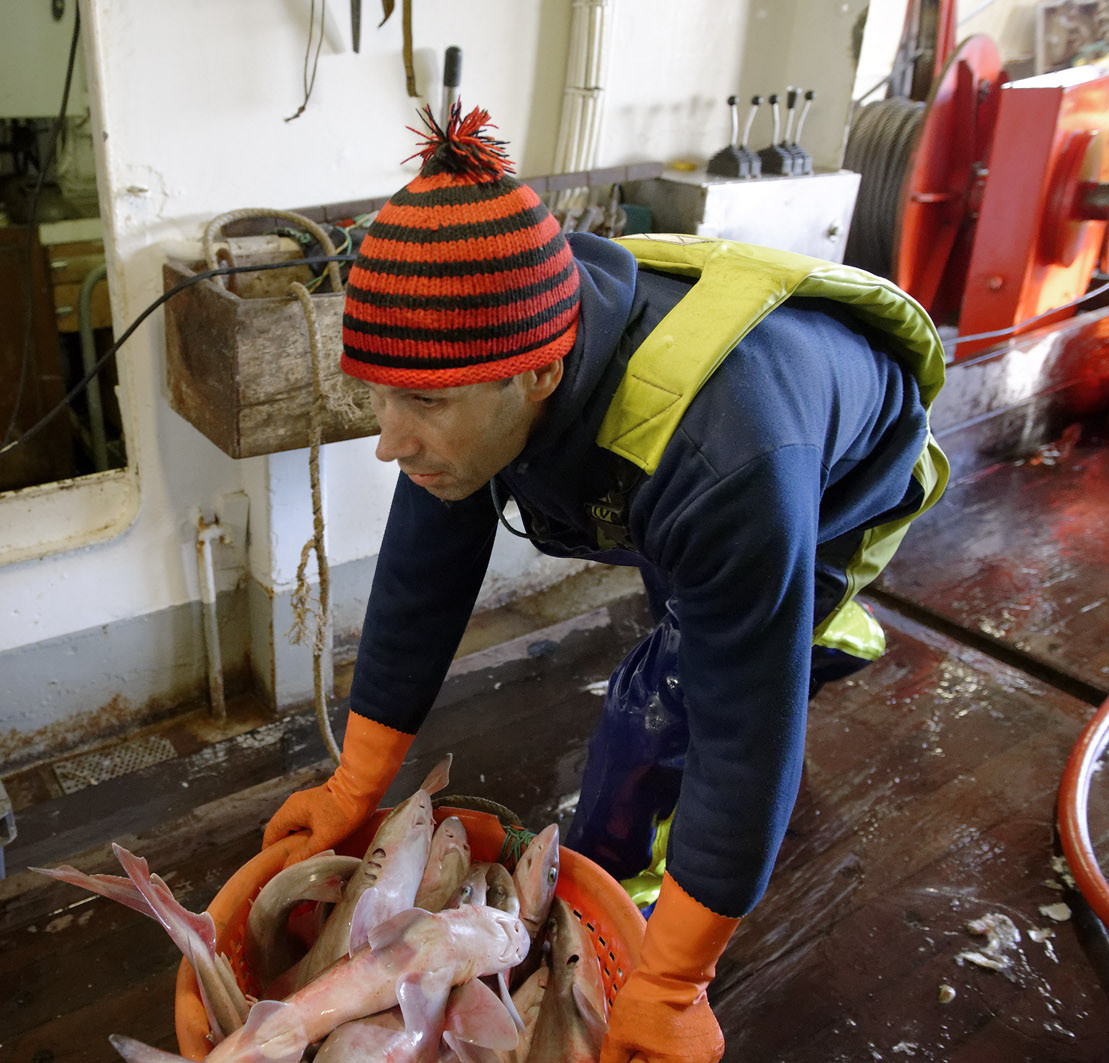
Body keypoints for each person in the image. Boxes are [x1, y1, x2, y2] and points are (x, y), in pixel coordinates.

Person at [262, 104, 948, 1063]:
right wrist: (354, 783)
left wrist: (672, 978)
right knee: (696, 617)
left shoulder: (727, 465)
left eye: (421, 402)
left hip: (839, 466)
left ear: (539, 374)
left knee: (674, 697)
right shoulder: (484, 359)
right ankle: (763, 626)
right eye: (378, 394)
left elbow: (744, 742)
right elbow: (424, 574)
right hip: (710, 478)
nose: (388, 438)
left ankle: (802, 646)